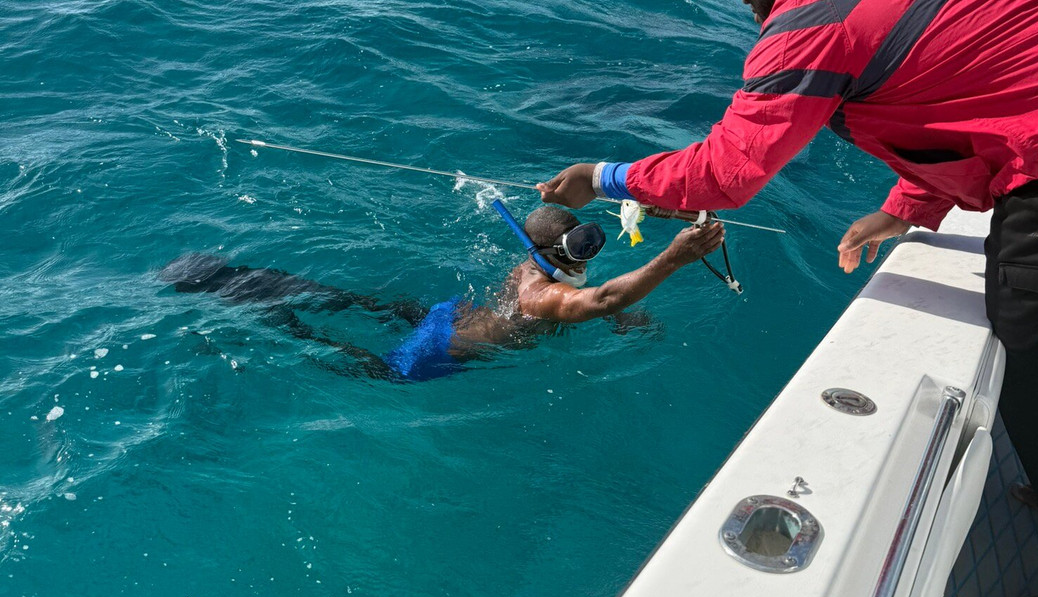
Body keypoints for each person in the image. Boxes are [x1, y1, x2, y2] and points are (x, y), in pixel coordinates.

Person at [537, 0, 1038, 597]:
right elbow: (975, 98)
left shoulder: (813, 14)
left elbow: (726, 173)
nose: (745, 3)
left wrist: (602, 178)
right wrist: (906, 209)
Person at [161, 203, 725, 382]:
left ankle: (247, 279)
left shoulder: (535, 270)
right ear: (553, 254)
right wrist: (672, 257)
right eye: (580, 247)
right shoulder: (542, 298)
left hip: (451, 315)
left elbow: (592, 298)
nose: (589, 254)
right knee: (358, 365)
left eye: (591, 241)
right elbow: (597, 301)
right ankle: (249, 306)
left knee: (360, 303)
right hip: (441, 350)